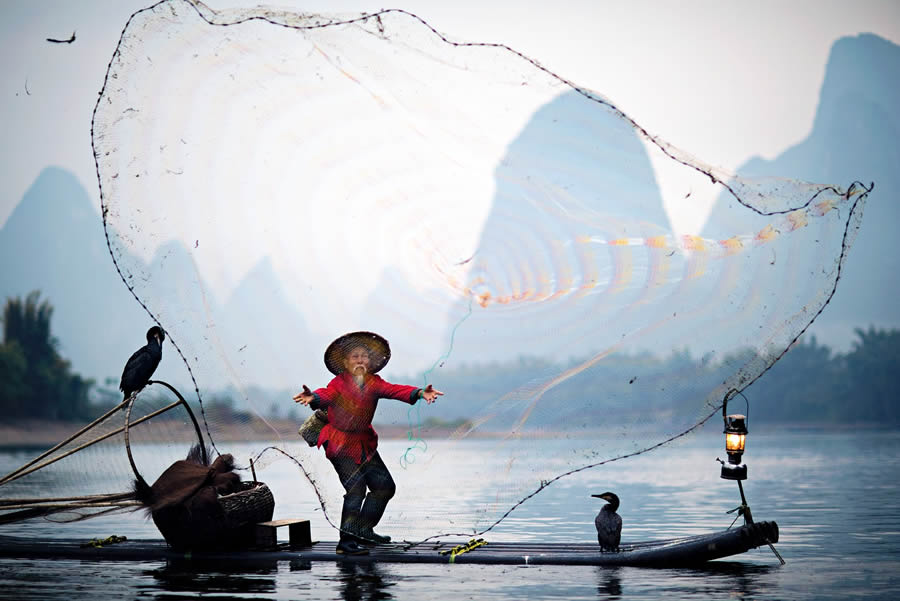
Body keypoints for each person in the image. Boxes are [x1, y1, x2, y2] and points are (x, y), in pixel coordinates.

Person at [293, 331, 443, 555]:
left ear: (371, 362)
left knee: (384, 487)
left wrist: (420, 392)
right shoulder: (338, 383)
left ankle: (364, 530)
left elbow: (395, 390)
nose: (360, 360)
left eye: (364, 356)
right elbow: (325, 394)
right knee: (356, 489)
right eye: (355, 357)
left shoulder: (374, 383)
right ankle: (346, 543)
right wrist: (312, 398)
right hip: (339, 444)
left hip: (364, 444)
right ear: (345, 362)